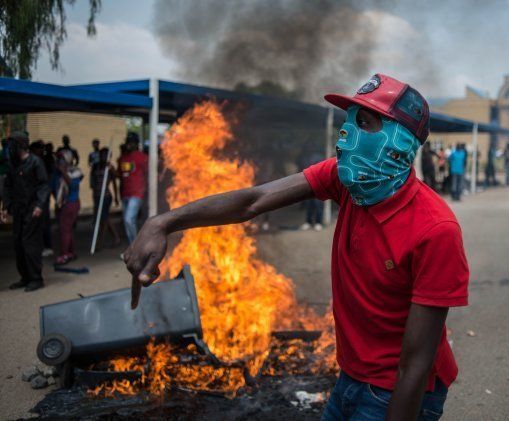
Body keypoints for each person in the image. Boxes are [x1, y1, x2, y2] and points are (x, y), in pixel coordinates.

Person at [123, 74, 469, 420]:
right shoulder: (344, 180)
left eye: (363, 122)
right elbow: (253, 201)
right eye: (348, 121)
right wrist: (162, 222)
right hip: (351, 377)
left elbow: (415, 365)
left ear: (398, 141)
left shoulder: (435, 231)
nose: (346, 133)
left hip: (400, 392)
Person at [2, 131, 50, 292]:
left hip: (33, 211)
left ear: (20, 146)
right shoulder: (13, 165)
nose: (9, 149)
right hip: (18, 210)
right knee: (18, 244)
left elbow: (44, 185)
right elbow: (7, 186)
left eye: (12, 145)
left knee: (30, 245)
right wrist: (6, 206)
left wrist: (39, 206)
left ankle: (36, 278)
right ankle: (25, 277)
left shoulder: (35, 162)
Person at [53, 150, 83, 264]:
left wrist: (63, 171)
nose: (59, 162)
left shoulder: (74, 172)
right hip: (63, 204)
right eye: (58, 159)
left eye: (62, 159)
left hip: (71, 203)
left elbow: (72, 185)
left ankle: (64, 255)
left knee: (65, 231)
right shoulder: (57, 173)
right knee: (67, 230)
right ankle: (71, 253)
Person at [118, 133, 148, 244]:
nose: (129, 145)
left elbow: (148, 174)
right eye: (128, 142)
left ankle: (135, 246)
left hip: (137, 194)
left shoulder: (142, 157)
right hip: (125, 193)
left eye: (131, 142)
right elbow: (120, 176)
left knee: (129, 219)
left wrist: (146, 191)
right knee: (128, 222)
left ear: (136, 144)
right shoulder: (122, 158)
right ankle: (133, 246)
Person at [92, 147, 121, 248]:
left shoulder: (109, 167)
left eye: (106, 155)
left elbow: (115, 181)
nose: (103, 157)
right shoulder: (95, 166)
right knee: (103, 218)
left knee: (104, 218)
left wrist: (116, 197)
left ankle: (100, 242)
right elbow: (93, 182)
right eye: (102, 154)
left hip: (106, 197)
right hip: (97, 196)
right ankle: (116, 237)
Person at [300, 152, 324, 231]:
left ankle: (318, 223)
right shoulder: (306, 158)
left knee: (318, 205)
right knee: (309, 205)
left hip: (318, 185)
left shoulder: (319, 158)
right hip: (309, 185)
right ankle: (308, 222)